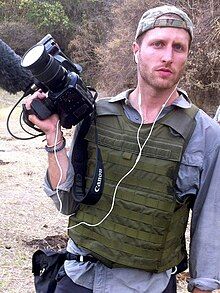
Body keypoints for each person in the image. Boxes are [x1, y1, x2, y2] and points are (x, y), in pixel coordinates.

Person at [25, 5, 220, 293]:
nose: (168, 56)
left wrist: (202, 286)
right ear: (136, 49)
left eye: (179, 47)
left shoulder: (205, 133)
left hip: (147, 286)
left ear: (187, 56)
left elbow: (211, 220)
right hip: (78, 277)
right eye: (158, 44)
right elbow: (66, 202)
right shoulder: (97, 115)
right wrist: (53, 136)